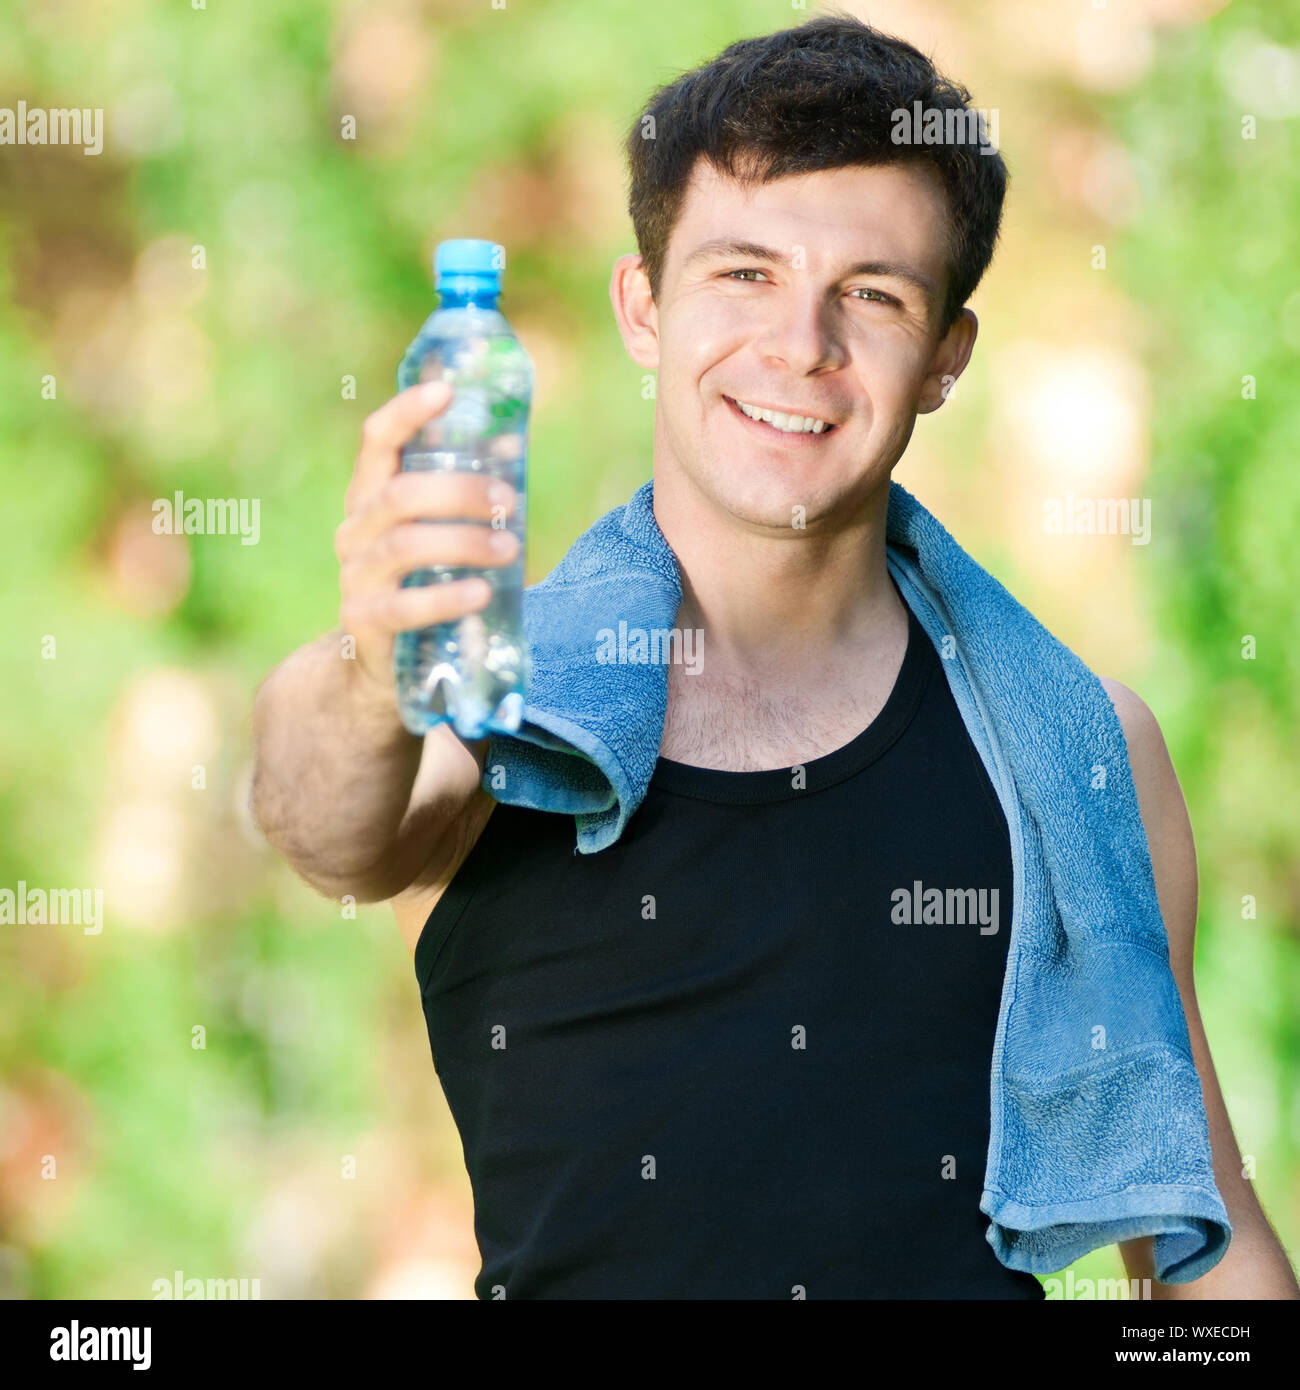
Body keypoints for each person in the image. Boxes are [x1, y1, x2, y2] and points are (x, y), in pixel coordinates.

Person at [251, 13, 1298, 1299]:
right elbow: (325, 827)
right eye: (743, 273)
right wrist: (374, 664)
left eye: (871, 294)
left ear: (944, 360)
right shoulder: (498, 696)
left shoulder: (1079, 752)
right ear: (643, 308)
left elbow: (1204, 1238)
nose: (800, 344)